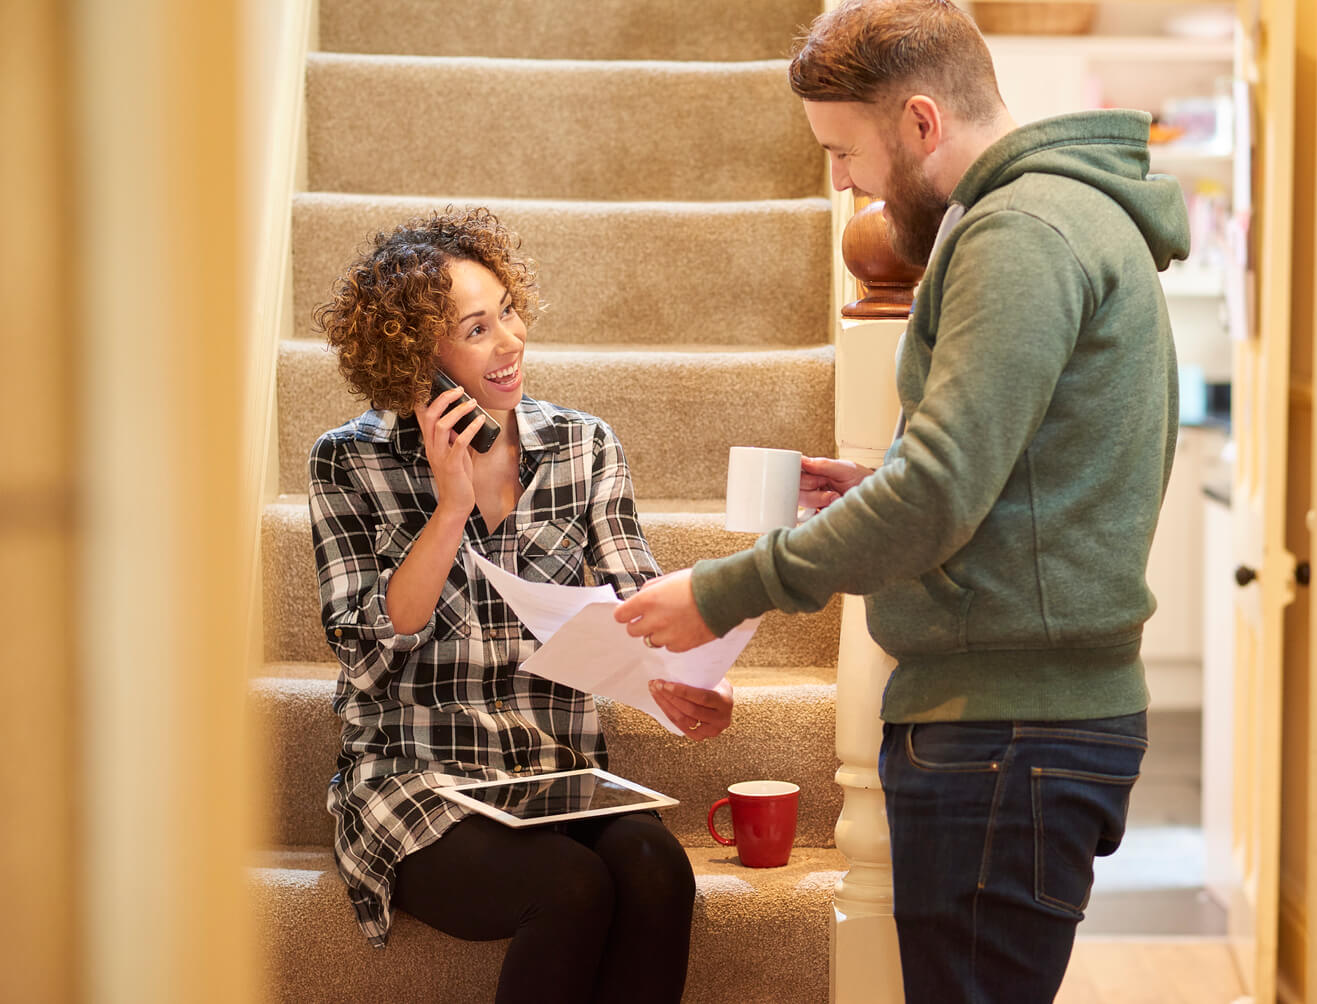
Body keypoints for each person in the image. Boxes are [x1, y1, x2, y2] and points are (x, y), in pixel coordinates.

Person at [615, 1, 1191, 999]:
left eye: (845, 152)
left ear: (921, 122)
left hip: (1003, 731)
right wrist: (875, 485)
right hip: (1025, 720)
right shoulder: (1059, 216)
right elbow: (999, 469)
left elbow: (939, 493)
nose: (843, 184)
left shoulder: (1018, 232)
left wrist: (724, 590)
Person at [309, 207, 731, 1004]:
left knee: (657, 867)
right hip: (417, 780)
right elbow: (364, 647)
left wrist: (699, 679)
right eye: (476, 329)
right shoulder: (346, 461)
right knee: (572, 888)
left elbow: (641, 606)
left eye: (507, 310)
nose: (510, 341)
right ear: (416, 362)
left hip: (554, 772)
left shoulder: (583, 446)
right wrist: (447, 510)